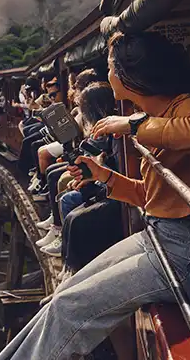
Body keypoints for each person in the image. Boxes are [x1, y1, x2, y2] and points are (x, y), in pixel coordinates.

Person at [0, 31, 190, 359]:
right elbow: (150, 197)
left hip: (189, 253)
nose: (107, 73)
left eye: (111, 66)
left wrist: (134, 125)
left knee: (70, 308)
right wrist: (103, 176)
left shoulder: (186, 107)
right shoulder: (162, 112)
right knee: (64, 295)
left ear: (129, 75)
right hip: (164, 237)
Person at [36, 82, 118, 255]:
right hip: (101, 175)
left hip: (110, 185)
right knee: (59, 178)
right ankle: (60, 230)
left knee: (64, 188)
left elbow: (97, 149)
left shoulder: (108, 126)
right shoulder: (101, 122)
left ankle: (67, 245)